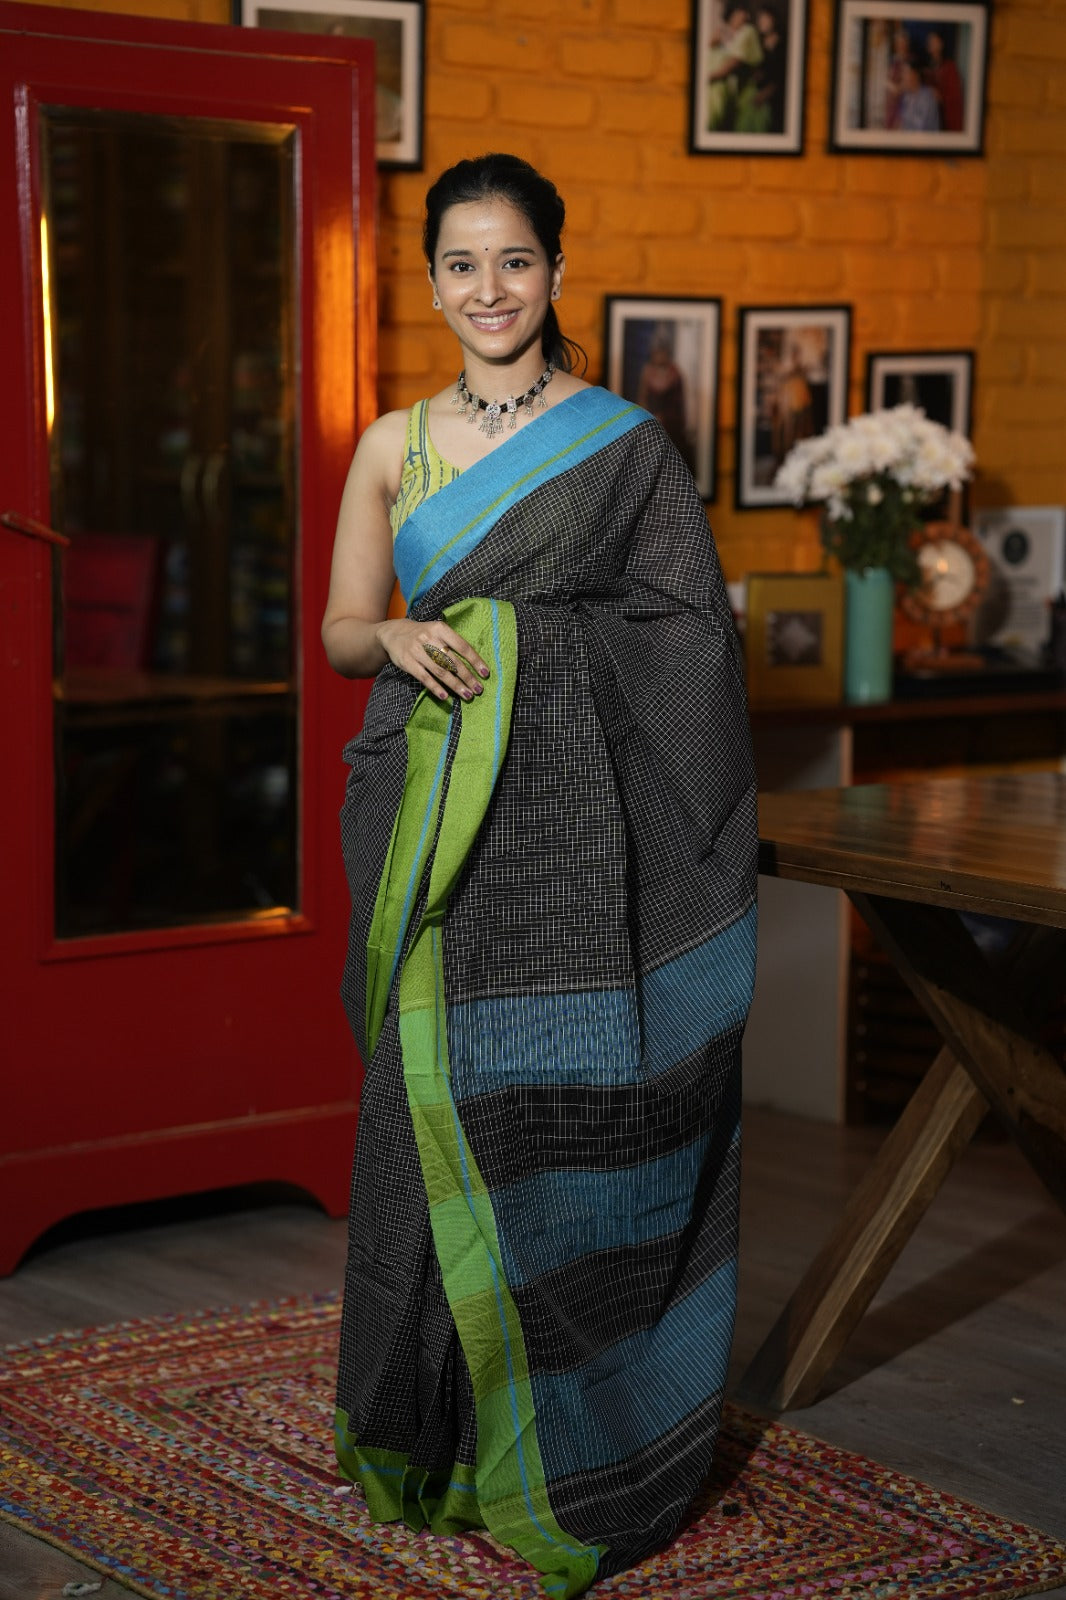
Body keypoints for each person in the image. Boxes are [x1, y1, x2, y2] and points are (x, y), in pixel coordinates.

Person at [321, 152, 757, 1597]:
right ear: (431, 281)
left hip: (573, 825)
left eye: (514, 260)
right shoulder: (390, 445)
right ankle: (436, 1440)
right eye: (461, 263)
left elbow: (688, 634)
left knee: (553, 1106)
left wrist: (534, 653)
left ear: (556, 273)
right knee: (431, 1108)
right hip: (431, 811)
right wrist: (397, 636)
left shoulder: (621, 445)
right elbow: (341, 627)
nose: (489, 288)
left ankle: (577, 1449)